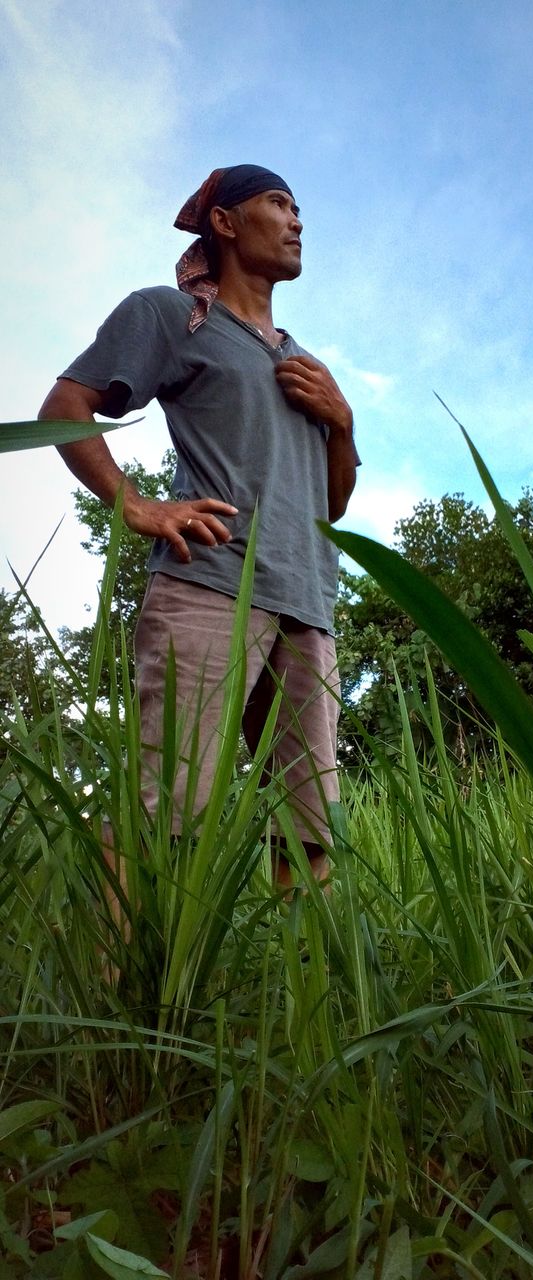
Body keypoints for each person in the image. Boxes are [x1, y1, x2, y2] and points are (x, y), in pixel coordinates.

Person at [39, 164, 359, 889]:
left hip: (309, 606)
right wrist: (137, 504)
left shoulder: (306, 365)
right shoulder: (174, 315)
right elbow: (65, 406)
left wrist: (343, 424)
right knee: (168, 811)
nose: (297, 219)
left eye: (299, 206)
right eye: (279, 203)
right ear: (224, 221)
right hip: (210, 585)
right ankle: (122, 996)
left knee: (310, 834)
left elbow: (333, 506)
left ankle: (300, 1000)